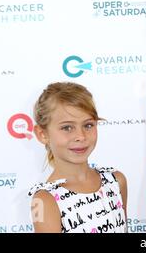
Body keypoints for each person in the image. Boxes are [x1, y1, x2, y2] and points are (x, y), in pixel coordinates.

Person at [28, 82, 127, 233]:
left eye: (88, 125)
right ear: (43, 134)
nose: (80, 136)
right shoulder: (43, 201)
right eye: (67, 127)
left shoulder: (116, 181)